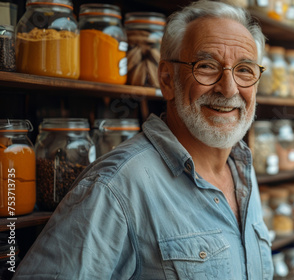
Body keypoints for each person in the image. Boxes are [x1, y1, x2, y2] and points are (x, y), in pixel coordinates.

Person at [14, 1, 273, 279]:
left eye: (245, 70)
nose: (229, 88)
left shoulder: (242, 169)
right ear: (166, 79)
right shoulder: (115, 187)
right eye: (207, 66)